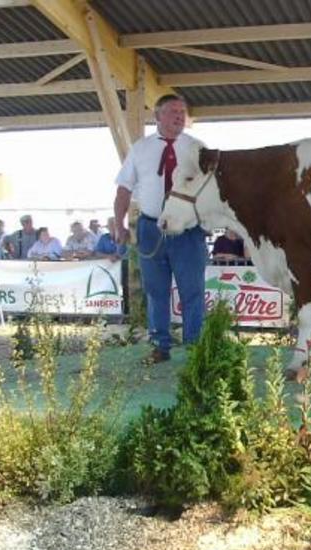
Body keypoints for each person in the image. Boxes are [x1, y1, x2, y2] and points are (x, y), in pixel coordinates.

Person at [114, 94, 208, 364]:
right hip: (150, 228)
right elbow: (123, 188)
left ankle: (194, 346)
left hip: (189, 232)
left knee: (193, 290)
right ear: (158, 116)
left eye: (182, 111)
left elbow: (212, 188)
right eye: (172, 111)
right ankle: (159, 345)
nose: (179, 116)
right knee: (155, 290)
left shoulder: (197, 148)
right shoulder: (140, 149)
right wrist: (119, 223)